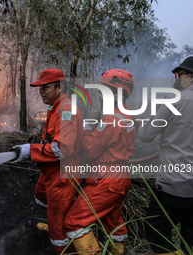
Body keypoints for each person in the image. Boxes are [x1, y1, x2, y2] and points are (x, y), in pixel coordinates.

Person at [138, 56, 193, 255]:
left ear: (192, 76)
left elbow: (145, 135)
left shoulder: (174, 100)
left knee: (156, 229)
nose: (177, 80)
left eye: (180, 75)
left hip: (174, 185)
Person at [64, 69, 136, 255]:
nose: (100, 96)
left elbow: (89, 150)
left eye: (103, 91)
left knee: (74, 222)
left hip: (106, 180)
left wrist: (87, 131)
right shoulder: (125, 115)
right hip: (120, 178)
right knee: (113, 222)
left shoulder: (111, 120)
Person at [13, 68, 84, 255]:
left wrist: (31, 151)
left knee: (57, 226)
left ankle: (65, 249)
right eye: (39, 88)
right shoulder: (56, 107)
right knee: (41, 198)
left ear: (59, 88)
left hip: (64, 176)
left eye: (45, 87)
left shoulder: (66, 111)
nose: (41, 91)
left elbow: (62, 148)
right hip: (52, 172)